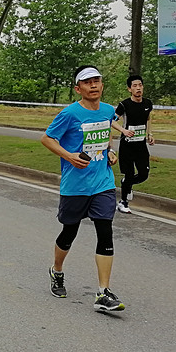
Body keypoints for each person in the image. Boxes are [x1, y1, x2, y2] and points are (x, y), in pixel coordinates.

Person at [40, 66, 125, 313]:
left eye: (97, 81)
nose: (94, 85)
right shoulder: (69, 114)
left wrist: (110, 151)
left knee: (105, 232)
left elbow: (106, 137)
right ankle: (56, 271)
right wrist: (69, 156)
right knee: (69, 233)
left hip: (102, 184)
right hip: (75, 185)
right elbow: (47, 138)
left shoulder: (109, 111)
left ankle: (103, 292)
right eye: (88, 82)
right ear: (78, 88)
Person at [112, 74, 154, 214]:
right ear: (129, 89)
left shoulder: (148, 104)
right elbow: (111, 121)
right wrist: (123, 130)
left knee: (144, 174)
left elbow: (148, 119)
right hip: (127, 146)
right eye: (135, 86)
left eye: (140, 85)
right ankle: (123, 202)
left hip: (141, 146)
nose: (138, 88)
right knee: (129, 174)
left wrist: (150, 134)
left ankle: (126, 183)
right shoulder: (124, 105)